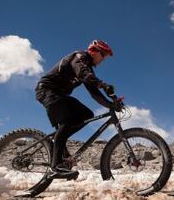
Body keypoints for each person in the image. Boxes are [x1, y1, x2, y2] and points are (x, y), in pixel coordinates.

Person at [35, 40, 117, 179]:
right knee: (66, 122)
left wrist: (111, 104)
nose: (103, 59)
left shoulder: (88, 69)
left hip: (59, 95)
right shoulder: (80, 57)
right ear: (94, 51)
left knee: (87, 114)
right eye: (102, 55)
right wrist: (103, 84)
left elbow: (94, 93)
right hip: (48, 90)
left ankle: (60, 138)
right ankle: (55, 166)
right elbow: (83, 74)